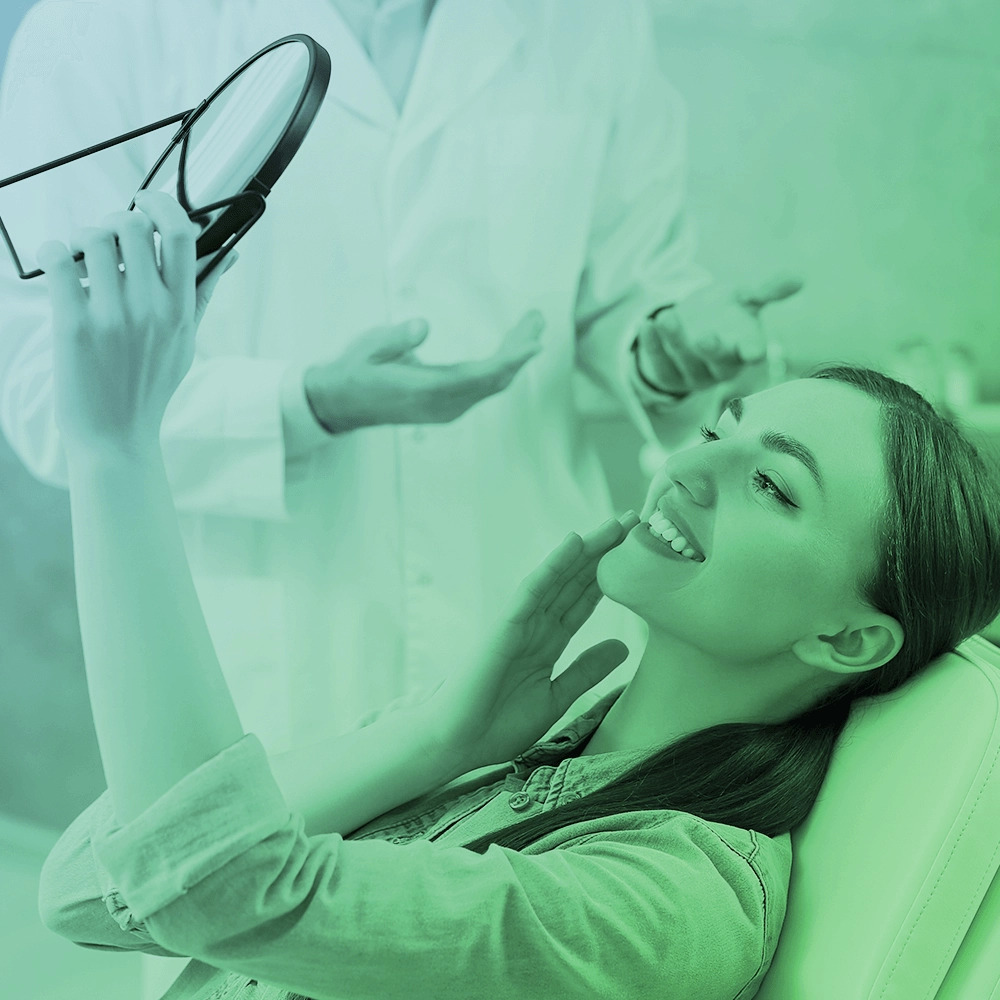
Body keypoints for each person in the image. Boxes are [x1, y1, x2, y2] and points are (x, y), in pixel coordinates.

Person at [34, 196, 1000, 1000]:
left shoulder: (680, 902)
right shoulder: (524, 751)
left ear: (850, 637)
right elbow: (87, 890)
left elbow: (205, 890)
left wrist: (117, 452)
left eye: (774, 487)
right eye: (719, 429)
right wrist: (430, 741)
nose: (694, 467)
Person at [0, 0, 799, 761]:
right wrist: (305, 404)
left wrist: (667, 349)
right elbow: (47, 385)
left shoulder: (585, 18)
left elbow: (627, 291)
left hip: (534, 616)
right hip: (274, 654)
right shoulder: (99, 29)